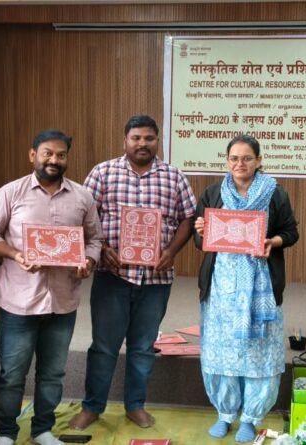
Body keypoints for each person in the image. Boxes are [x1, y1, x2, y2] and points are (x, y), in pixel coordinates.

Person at [68, 115, 197, 430]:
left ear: (157, 141)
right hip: (113, 276)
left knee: (142, 347)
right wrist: (101, 248)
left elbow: (188, 218)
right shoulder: (103, 172)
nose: (142, 143)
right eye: (136, 138)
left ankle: (135, 406)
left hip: (156, 280)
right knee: (104, 346)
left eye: (149, 138)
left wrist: (171, 252)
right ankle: (92, 407)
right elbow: (84, 215)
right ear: (125, 140)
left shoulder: (174, 177)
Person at [0, 129, 102, 445]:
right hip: (20, 302)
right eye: (47, 153)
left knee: (53, 374)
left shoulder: (82, 197)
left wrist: (88, 261)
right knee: (12, 374)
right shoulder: (10, 193)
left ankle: (42, 430)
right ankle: (6, 432)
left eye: (61, 155)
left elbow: (94, 239)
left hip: (62, 300)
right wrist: (15, 254)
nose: (54, 160)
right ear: (32, 154)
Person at [192, 135, 299, 442]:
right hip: (221, 290)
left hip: (260, 287)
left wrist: (272, 242)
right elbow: (200, 241)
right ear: (227, 161)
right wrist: (201, 231)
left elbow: (290, 232)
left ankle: (251, 418)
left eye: (247, 158)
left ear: (259, 160)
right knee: (221, 351)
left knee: (258, 353)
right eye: (234, 158)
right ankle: (225, 413)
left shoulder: (275, 193)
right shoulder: (213, 193)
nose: (240, 164)